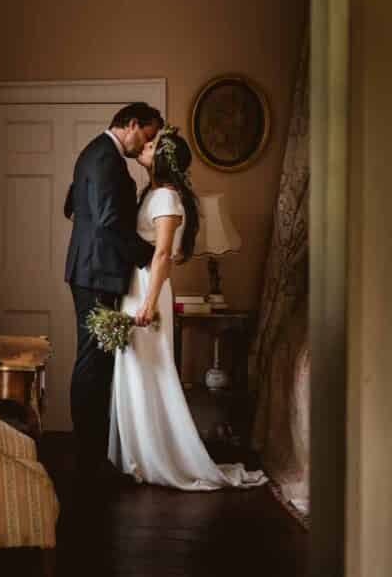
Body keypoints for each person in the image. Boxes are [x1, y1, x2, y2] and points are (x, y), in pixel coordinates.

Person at [108, 126, 267, 489]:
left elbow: (164, 254)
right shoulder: (153, 193)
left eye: (151, 145)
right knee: (135, 370)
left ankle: (158, 457)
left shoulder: (166, 198)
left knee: (151, 370)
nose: (143, 145)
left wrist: (149, 303)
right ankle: (139, 455)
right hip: (136, 284)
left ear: (163, 158)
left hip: (148, 288)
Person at [63, 102, 161, 486]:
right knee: (93, 364)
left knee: (95, 362)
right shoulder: (106, 158)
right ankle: (89, 460)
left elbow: (72, 206)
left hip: (91, 269)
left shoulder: (93, 151)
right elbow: (108, 221)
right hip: (95, 273)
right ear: (132, 124)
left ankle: (90, 455)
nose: (146, 146)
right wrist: (148, 256)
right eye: (147, 136)